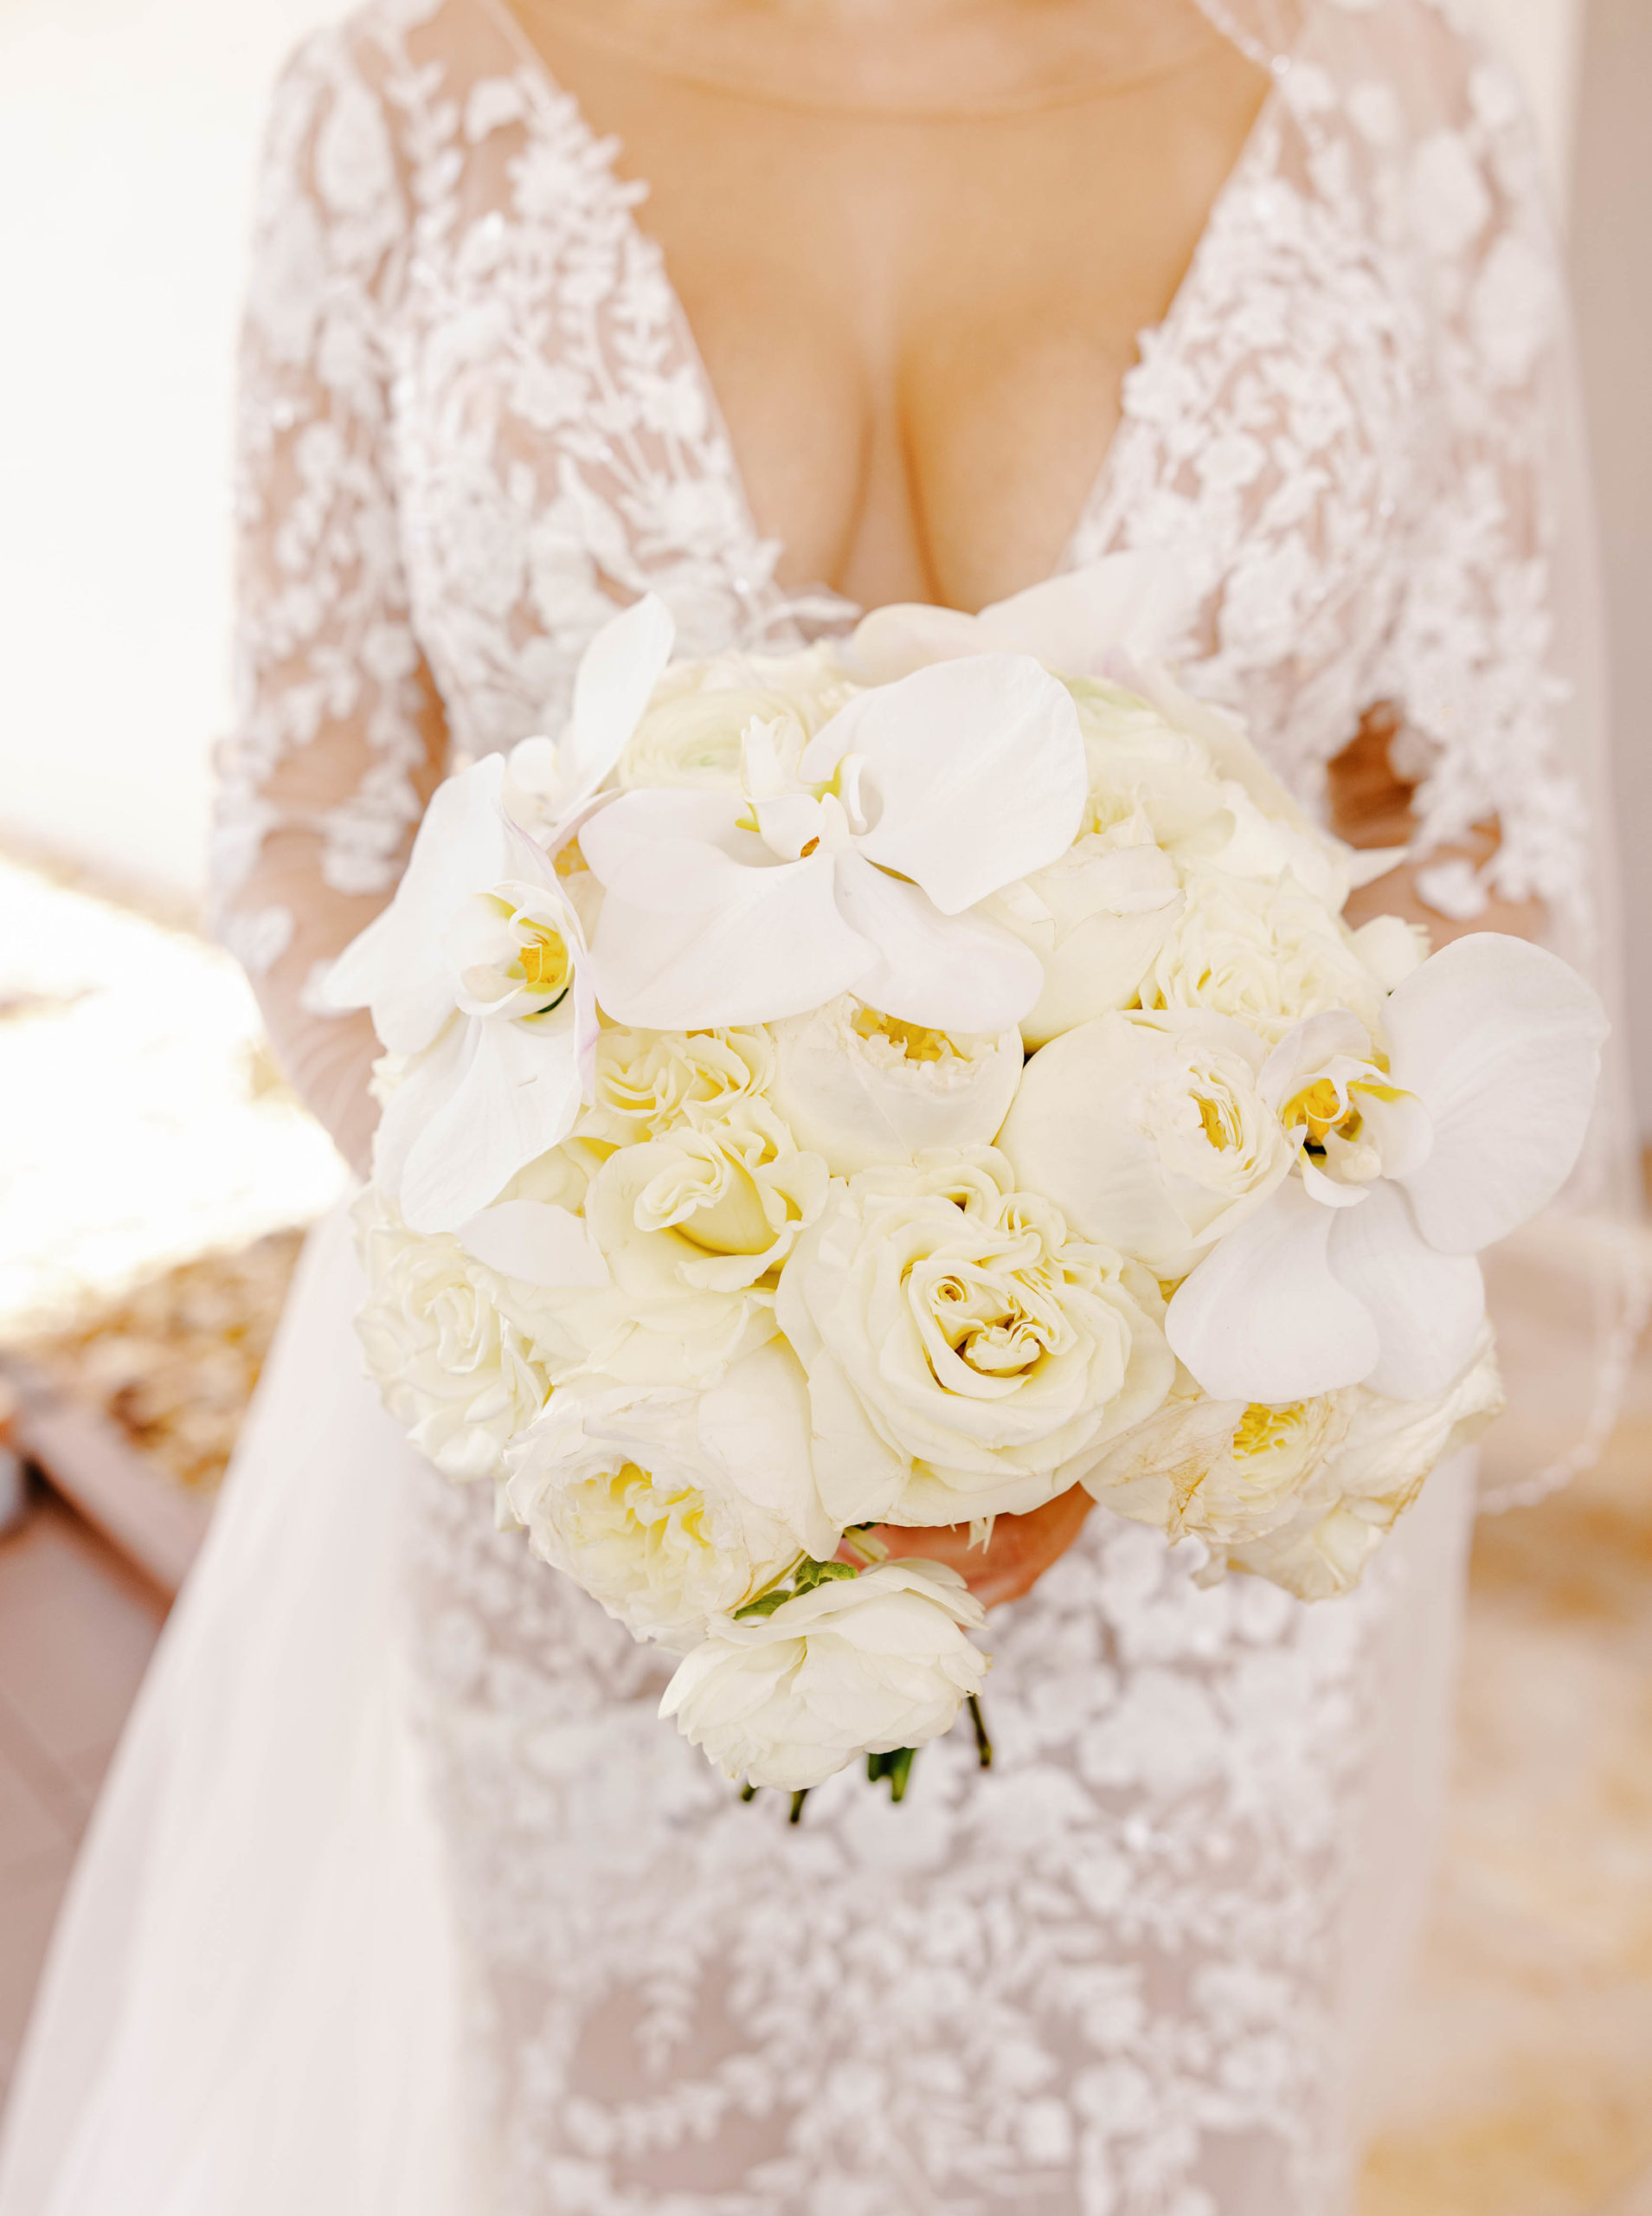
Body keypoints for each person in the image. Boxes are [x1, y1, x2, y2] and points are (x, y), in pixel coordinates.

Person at [1, 2, 1637, 2210]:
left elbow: (1499, 839)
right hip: (617, 1485)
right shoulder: (402, 92)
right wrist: (635, 1324)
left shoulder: (1393, 100)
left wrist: (1119, 1363)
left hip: (1183, 1524)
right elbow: (309, 812)